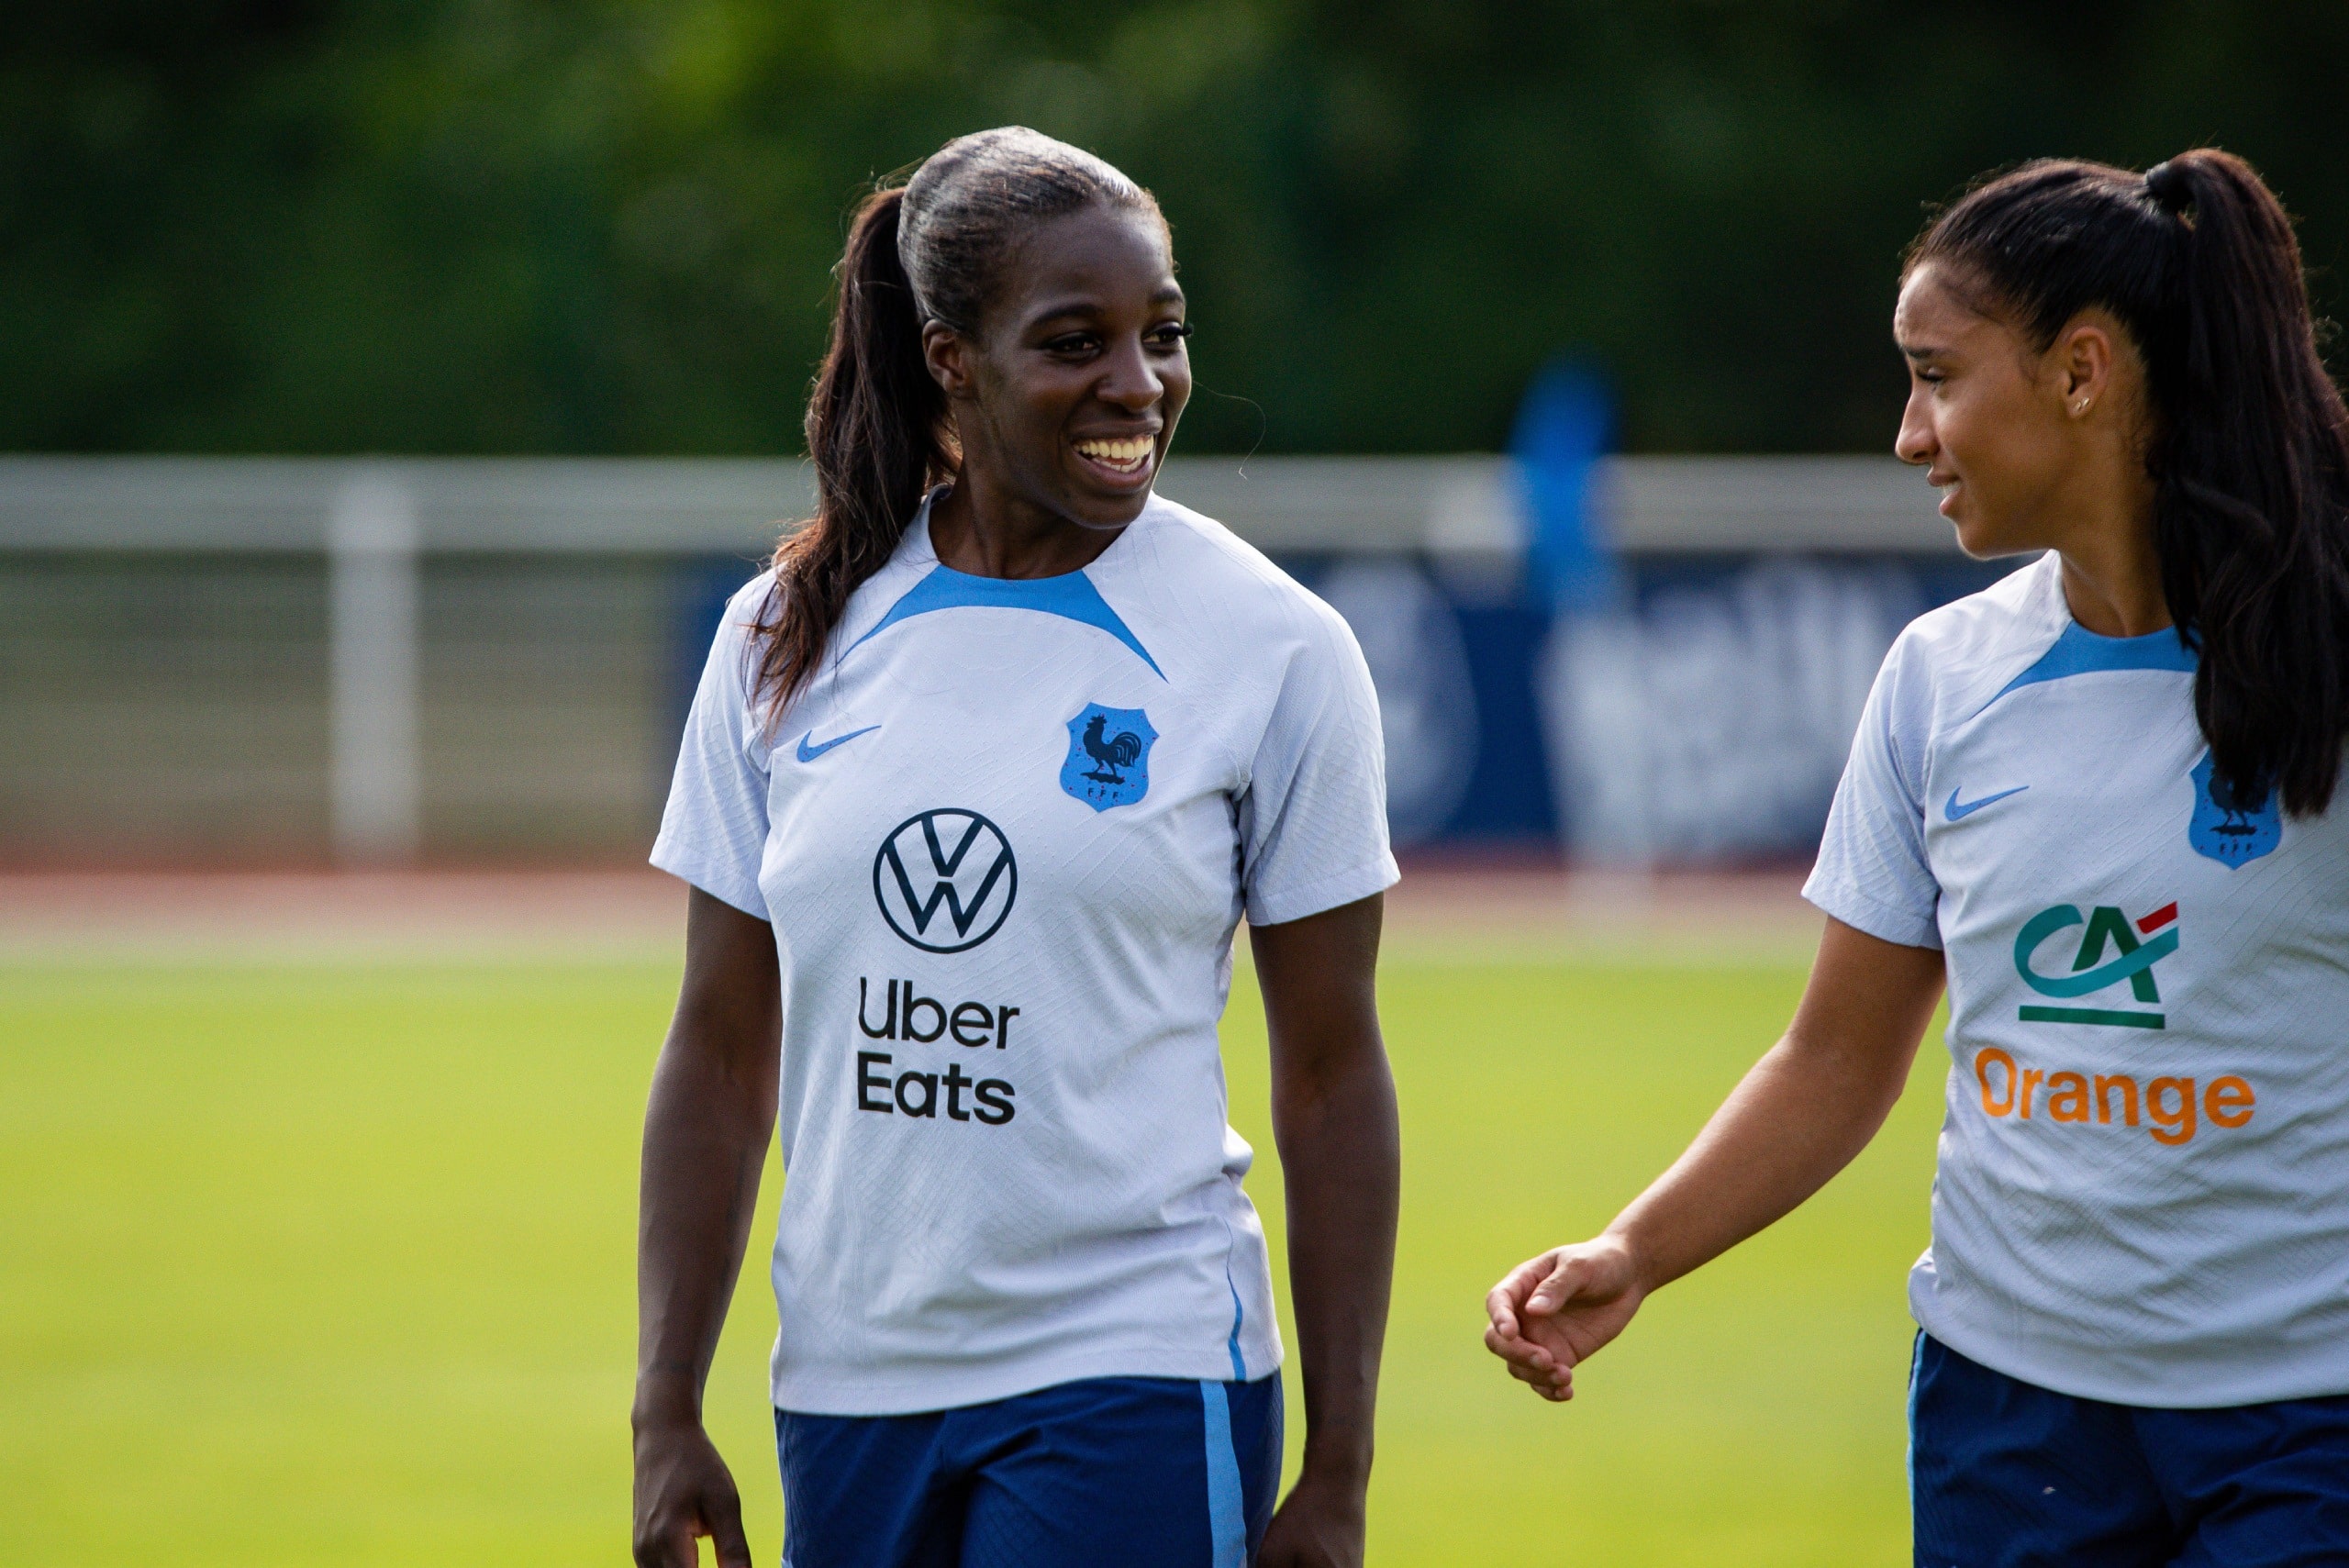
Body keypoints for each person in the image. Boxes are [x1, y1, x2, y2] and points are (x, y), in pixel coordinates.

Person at [1486, 149, 2349, 1562]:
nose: (1908, 433)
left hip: (2308, 1427)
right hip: (2011, 1427)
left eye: (1937, 374)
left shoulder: (2330, 662)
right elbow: (1835, 1057)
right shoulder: (1941, 679)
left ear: (2082, 372)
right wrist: (1634, 1251)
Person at [630, 128, 1401, 1568]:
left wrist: (1341, 1468)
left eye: (1162, 334)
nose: (1140, 385)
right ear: (950, 360)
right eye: (1076, 341)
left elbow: (1334, 1069)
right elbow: (720, 1048)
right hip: (850, 1387)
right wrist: (664, 1401)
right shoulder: (783, 634)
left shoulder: (1277, 650)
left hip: (1138, 1364)